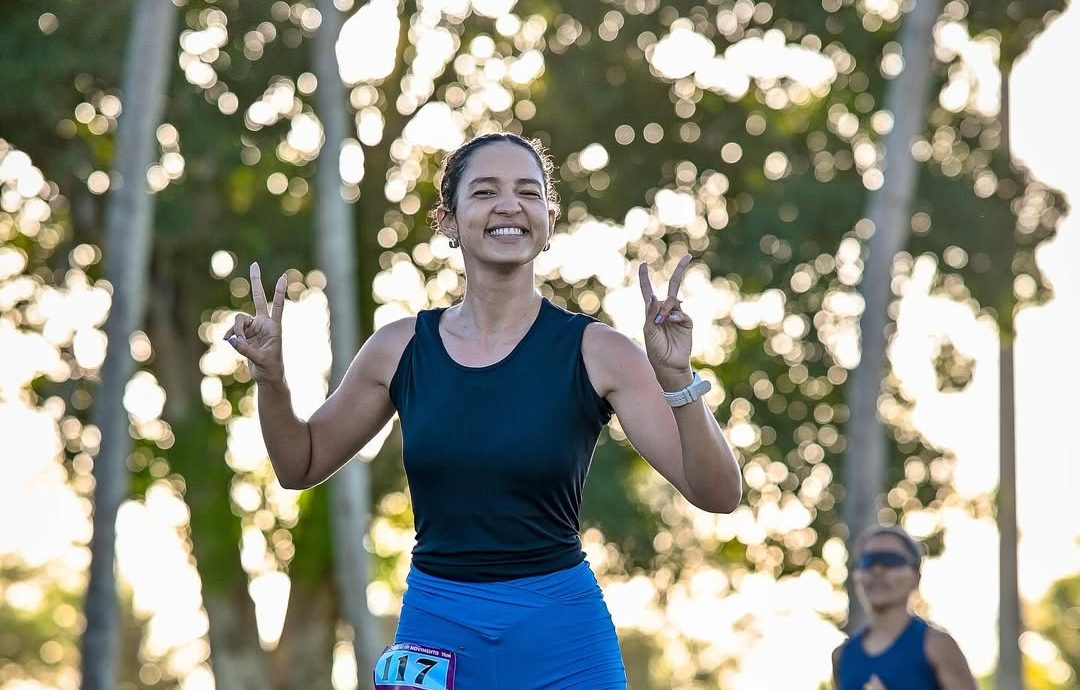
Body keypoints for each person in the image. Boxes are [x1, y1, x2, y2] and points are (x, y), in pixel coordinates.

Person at [224, 132, 742, 689]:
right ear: (447, 220)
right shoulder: (399, 348)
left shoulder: (600, 352)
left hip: (562, 640)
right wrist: (271, 378)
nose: (509, 205)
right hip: (437, 630)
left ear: (549, 220)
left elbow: (717, 493)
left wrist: (678, 379)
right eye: (485, 191)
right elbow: (299, 464)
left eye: (528, 192)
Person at [832, 525, 978, 690]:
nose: (877, 571)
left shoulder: (937, 645)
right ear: (856, 575)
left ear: (916, 575)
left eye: (891, 561)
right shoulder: (842, 656)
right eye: (868, 562)